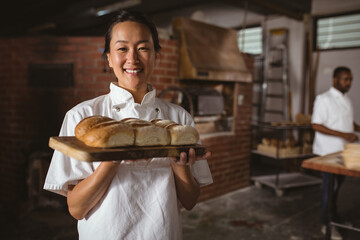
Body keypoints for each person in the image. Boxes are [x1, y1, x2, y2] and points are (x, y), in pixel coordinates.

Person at [43, 10, 213, 240]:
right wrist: (111, 161)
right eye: (122, 48)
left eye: (143, 48)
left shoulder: (179, 119)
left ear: (156, 56)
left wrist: (179, 164)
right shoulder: (81, 117)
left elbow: (190, 202)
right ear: (109, 58)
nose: (132, 58)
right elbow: (76, 209)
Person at [311, 66, 360, 239]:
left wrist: (356, 128)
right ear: (335, 79)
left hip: (343, 152)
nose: (349, 83)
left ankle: (335, 217)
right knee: (329, 188)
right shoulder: (323, 99)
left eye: (350, 80)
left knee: (337, 189)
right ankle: (327, 224)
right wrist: (345, 134)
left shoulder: (346, 100)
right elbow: (316, 124)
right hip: (328, 152)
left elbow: (347, 121)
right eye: (345, 79)